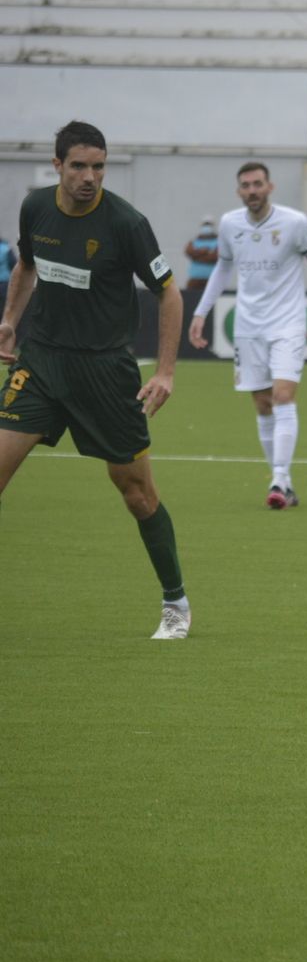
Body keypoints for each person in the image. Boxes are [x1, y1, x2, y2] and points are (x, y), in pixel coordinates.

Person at [0, 120, 192, 640]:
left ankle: (175, 600)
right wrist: (9, 322)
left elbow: (168, 294)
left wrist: (167, 372)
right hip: (40, 365)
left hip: (106, 373)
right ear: (58, 165)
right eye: (80, 166)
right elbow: (27, 266)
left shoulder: (127, 223)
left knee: (136, 493)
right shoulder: (35, 206)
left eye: (99, 166)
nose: (90, 176)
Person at [188, 162, 307, 509]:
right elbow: (224, 267)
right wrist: (200, 312)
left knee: (283, 396)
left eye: (258, 184)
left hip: (287, 323)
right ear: (239, 192)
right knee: (262, 403)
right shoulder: (229, 224)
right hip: (248, 327)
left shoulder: (294, 223)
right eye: (245, 185)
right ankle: (283, 482)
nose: (252, 190)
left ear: (270, 187)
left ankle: (279, 480)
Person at [183, 219, 218, 292]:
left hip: (211, 279)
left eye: (208, 225)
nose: (207, 227)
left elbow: (215, 257)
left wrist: (196, 256)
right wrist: (205, 251)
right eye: (205, 225)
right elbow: (188, 252)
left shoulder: (218, 241)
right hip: (195, 279)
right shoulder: (194, 241)